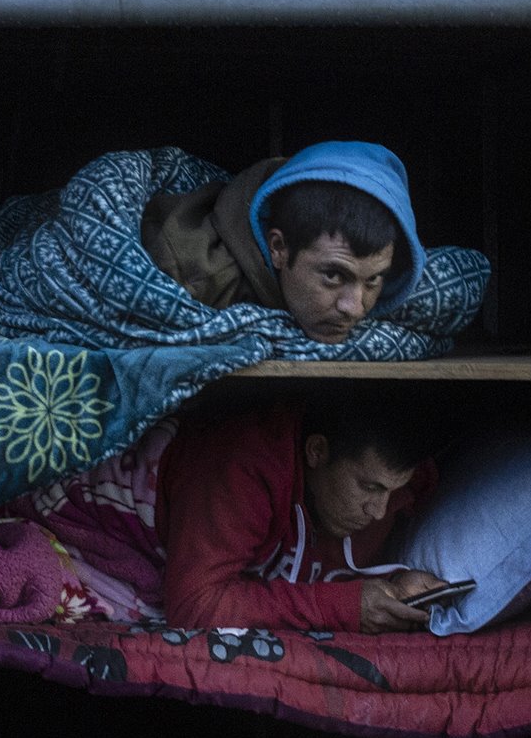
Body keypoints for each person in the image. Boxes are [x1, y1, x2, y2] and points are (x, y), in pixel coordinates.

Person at [158, 399, 451, 633]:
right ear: (317, 451)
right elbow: (195, 606)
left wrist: (396, 587)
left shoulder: (393, 491)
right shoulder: (243, 466)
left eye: (391, 491)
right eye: (369, 487)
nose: (378, 511)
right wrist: (341, 608)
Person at [140, 140, 426, 344]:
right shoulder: (192, 278)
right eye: (333, 275)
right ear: (278, 248)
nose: (354, 307)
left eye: (373, 279)